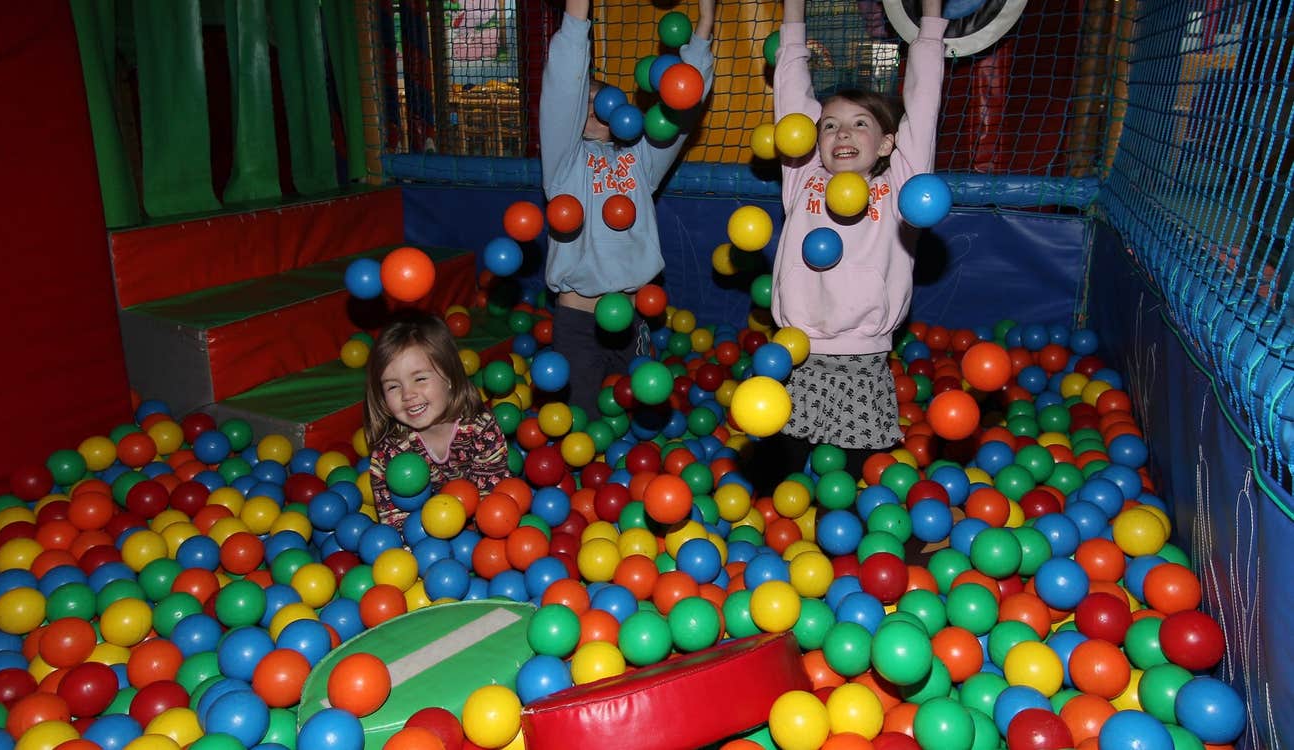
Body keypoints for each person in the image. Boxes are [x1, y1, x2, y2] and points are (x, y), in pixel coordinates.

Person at [745, 0, 946, 497]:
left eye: (860, 123)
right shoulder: (804, 178)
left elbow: (922, 107)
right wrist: (793, 17)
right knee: (777, 481)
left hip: (863, 359)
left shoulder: (899, 190)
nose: (842, 133)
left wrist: (931, 23)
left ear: (885, 144)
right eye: (830, 125)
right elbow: (793, 97)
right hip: (796, 353)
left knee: (859, 487)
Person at [539, 0, 716, 419]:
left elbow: (682, 105)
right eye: (585, 102)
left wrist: (704, 29)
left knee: (645, 419)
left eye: (603, 100)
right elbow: (563, 86)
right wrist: (576, 15)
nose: (595, 108)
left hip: (635, 321)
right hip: (578, 324)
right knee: (578, 421)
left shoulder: (639, 160)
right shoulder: (564, 166)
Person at [365, 311, 509, 530]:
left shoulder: (480, 428)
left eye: (420, 379)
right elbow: (394, 520)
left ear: (450, 377)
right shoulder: (390, 454)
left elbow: (492, 497)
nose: (408, 395)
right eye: (393, 386)